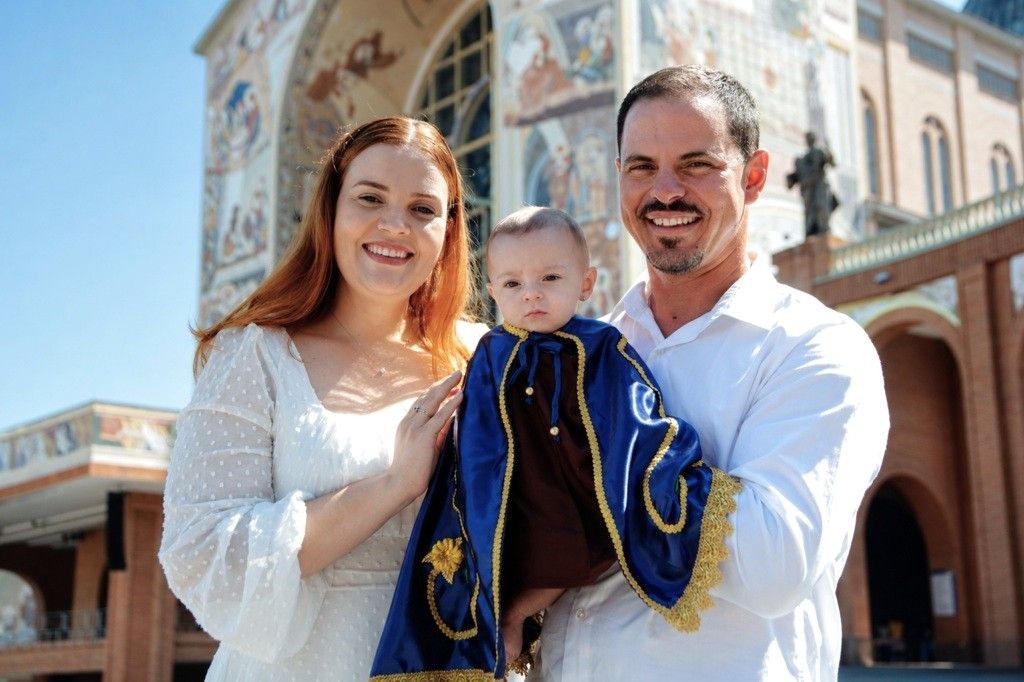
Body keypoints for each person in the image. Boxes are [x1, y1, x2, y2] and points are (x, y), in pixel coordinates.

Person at [532, 66, 889, 680]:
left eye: (697, 164)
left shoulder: (814, 347)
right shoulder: (588, 349)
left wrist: (592, 463)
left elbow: (771, 562)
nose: (664, 191)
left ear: (753, 178)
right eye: (641, 166)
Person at [158, 116, 486, 680]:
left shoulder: (482, 359)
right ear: (330, 211)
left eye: (422, 209)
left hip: (451, 662)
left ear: (449, 229)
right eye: (370, 198)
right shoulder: (255, 356)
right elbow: (202, 549)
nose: (394, 225)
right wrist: (392, 487)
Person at [370, 206, 738, 679]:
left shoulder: (604, 344)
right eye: (513, 285)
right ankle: (498, 637)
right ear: (492, 291)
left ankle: (516, 616)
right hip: (516, 499)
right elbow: (479, 440)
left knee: (573, 555)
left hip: (583, 494)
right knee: (489, 570)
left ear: (585, 283)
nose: (532, 296)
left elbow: (634, 416)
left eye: (549, 278)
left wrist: (656, 468)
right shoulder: (490, 352)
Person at [786, 130, 838, 237]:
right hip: (808, 190)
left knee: (821, 207)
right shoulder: (802, 159)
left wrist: (829, 151)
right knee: (810, 213)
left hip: (820, 187)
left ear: (814, 139)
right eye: (807, 138)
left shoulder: (820, 152)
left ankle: (824, 231)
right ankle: (812, 232)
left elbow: (833, 164)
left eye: (810, 138)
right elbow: (797, 176)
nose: (809, 140)